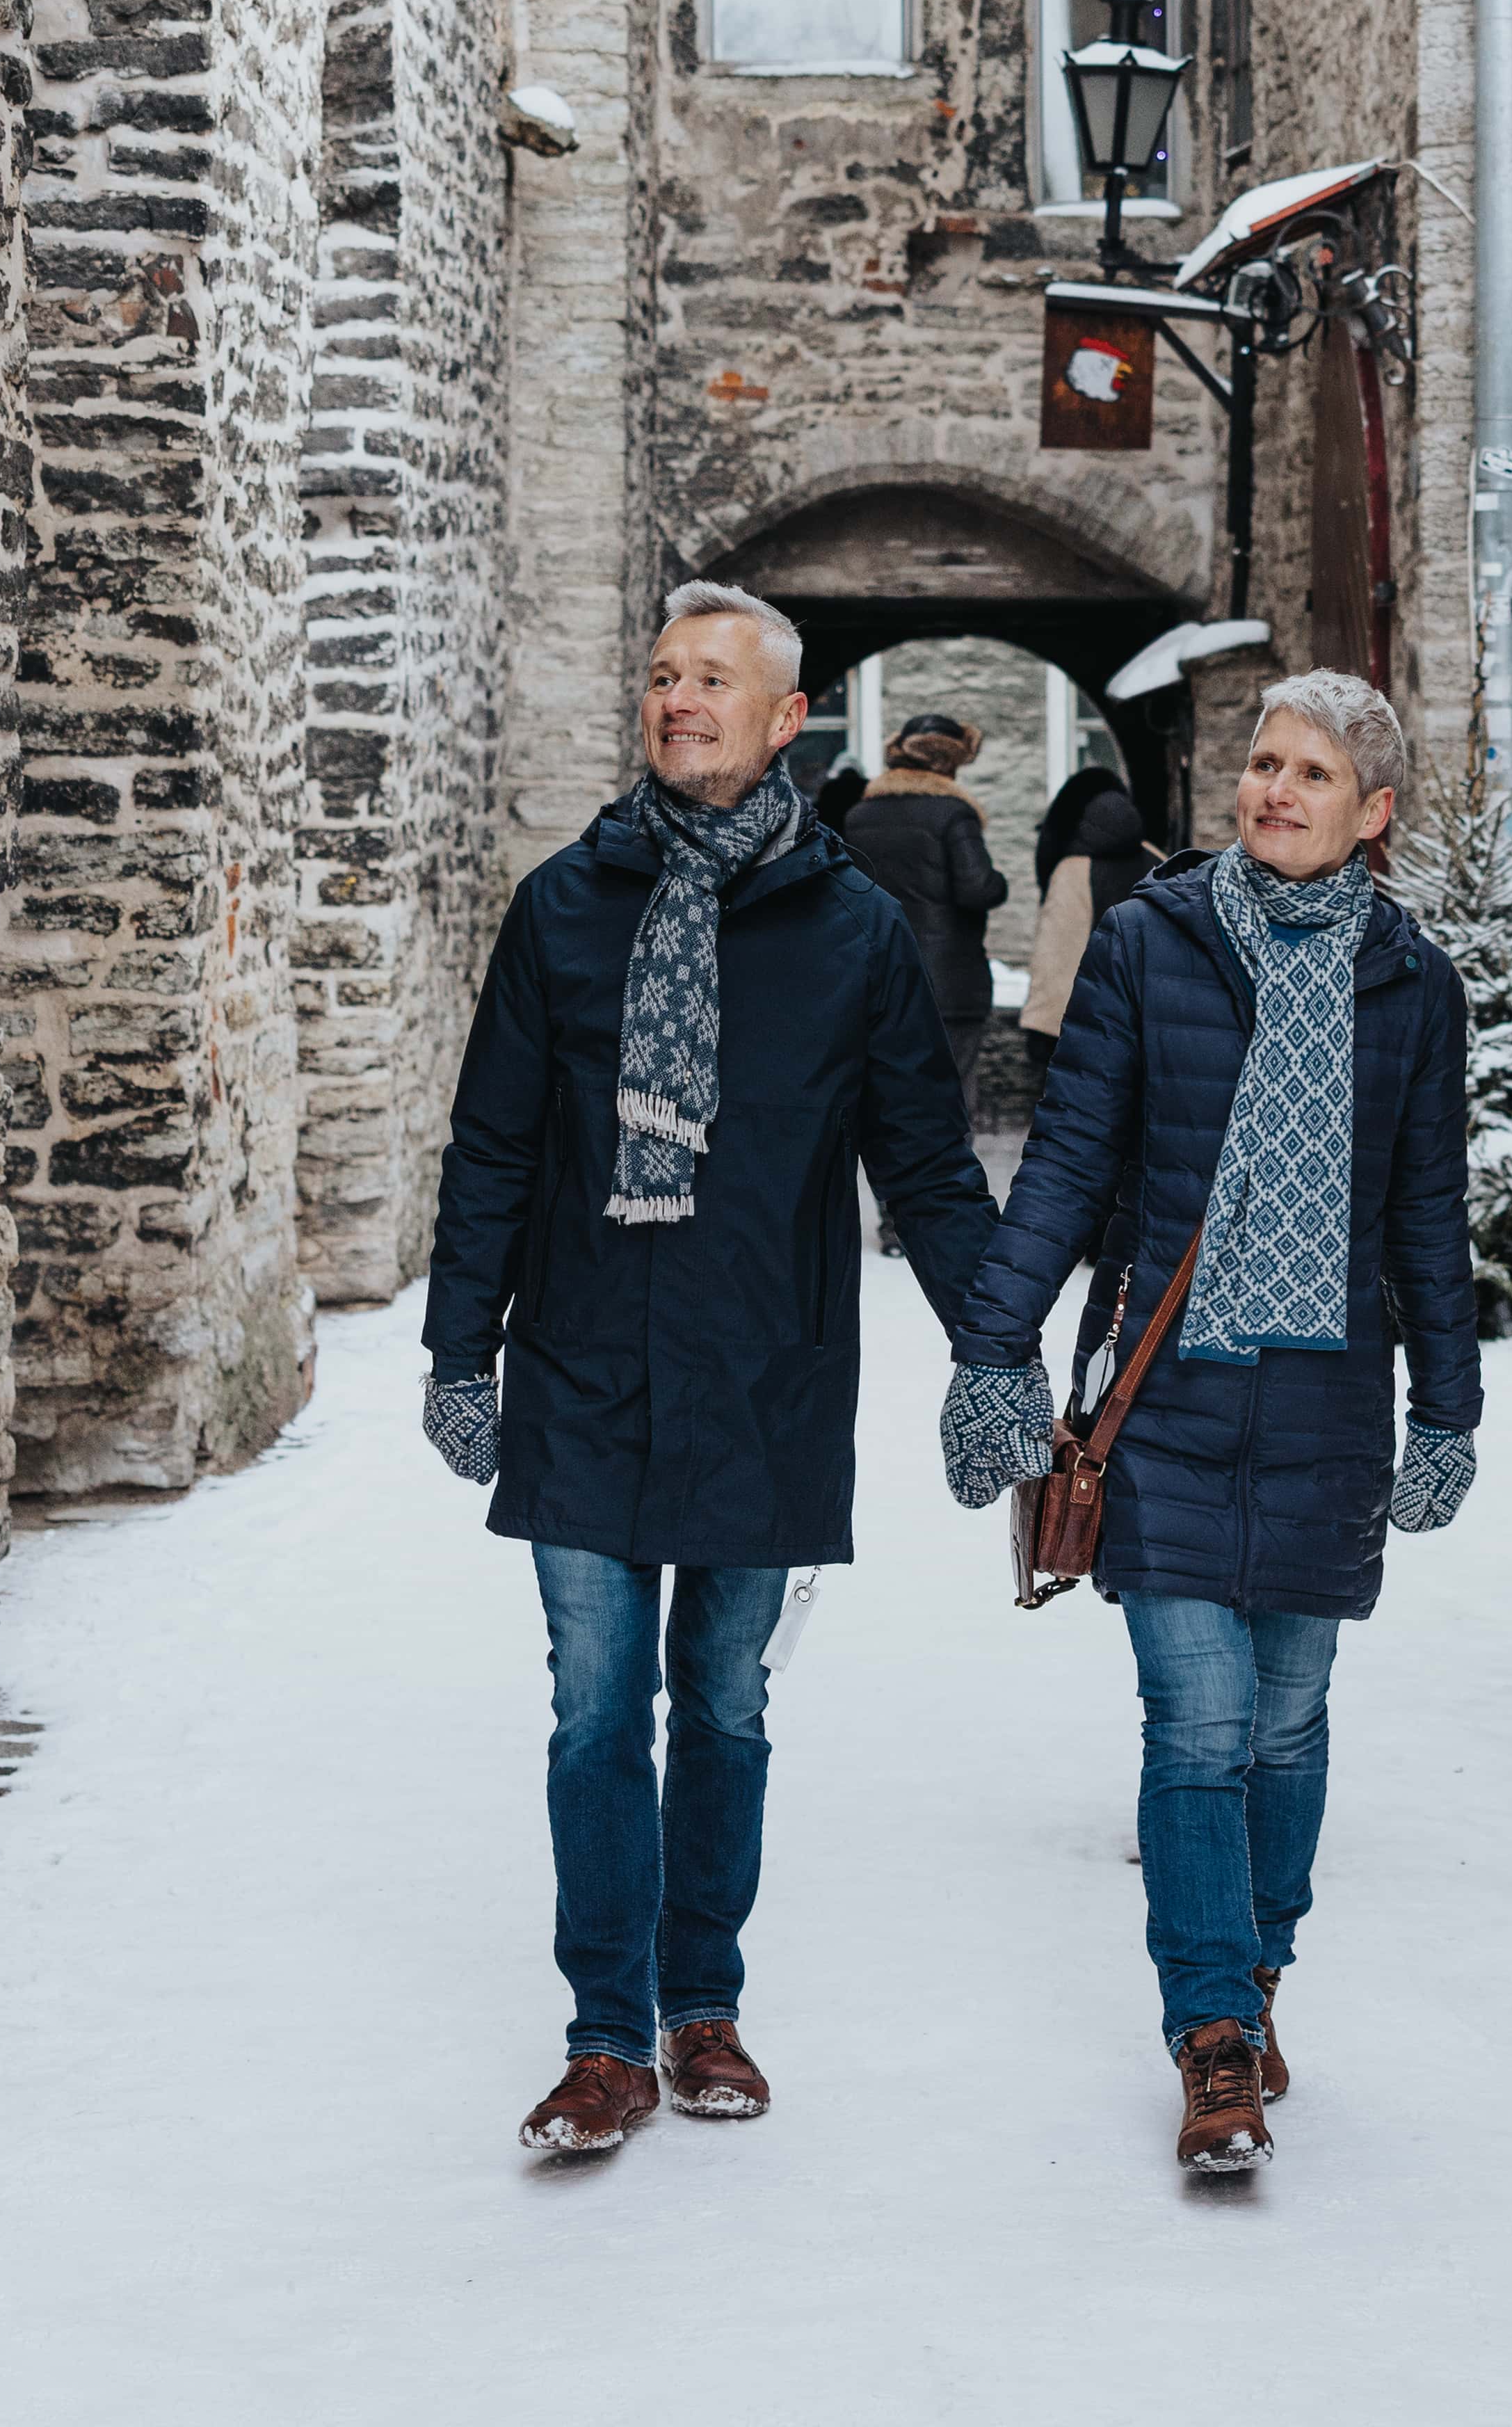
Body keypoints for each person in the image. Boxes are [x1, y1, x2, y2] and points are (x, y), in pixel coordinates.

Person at [424, 583, 1000, 2156]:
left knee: (725, 1708)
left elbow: (927, 1168)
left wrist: (993, 1346)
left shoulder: (852, 932)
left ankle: (703, 2007)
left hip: (768, 1372)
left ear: (783, 720)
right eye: (662, 674)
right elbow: (490, 1145)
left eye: (712, 680)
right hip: (585, 1360)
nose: (679, 698)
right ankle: (605, 2034)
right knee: (595, 1709)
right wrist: (455, 1343)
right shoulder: (561, 904)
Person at [936, 672, 1481, 2174]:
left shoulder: (1416, 988)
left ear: (1373, 813)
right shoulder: (1149, 941)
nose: (1274, 789)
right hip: (1162, 1393)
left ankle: (1260, 1970)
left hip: (1327, 1398)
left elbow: (1428, 1214)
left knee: (1290, 1721)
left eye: (1313, 771)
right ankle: (1212, 2034)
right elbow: (1063, 1168)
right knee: (1198, 1721)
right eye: (1261, 762)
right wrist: (996, 1351)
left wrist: (1449, 1403)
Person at [835, 709, 1006, 1112]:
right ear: (948, 762)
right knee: (952, 1093)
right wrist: (999, 881)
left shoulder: (860, 816)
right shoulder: (954, 814)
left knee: (894, 1095)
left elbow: (848, 894)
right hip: (949, 980)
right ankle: (949, 1174)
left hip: (879, 977)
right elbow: (977, 888)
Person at [1014, 764, 1156, 1057]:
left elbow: (1058, 955)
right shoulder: (1158, 861)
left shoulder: (1073, 870)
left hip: (1084, 1029)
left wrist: (1043, 1030)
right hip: (1147, 1021)